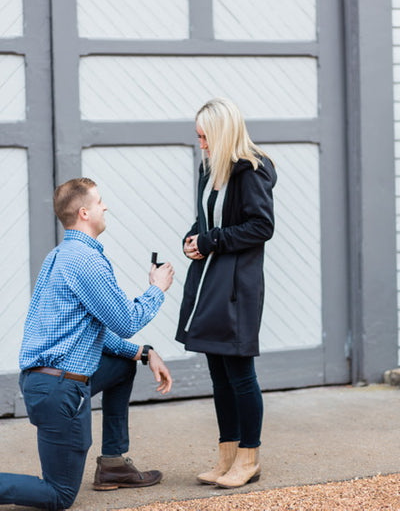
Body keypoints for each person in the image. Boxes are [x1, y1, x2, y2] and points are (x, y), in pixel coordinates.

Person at [0, 177, 174, 510]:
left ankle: (112, 464)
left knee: (123, 367)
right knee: (59, 495)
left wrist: (143, 352)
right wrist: (157, 288)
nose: (105, 206)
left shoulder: (61, 255)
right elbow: (126, 322)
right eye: (99, 202)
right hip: (59, 391)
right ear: (84, 213)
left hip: (47, 383)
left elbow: (88, 329)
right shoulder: (85, 261)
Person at [176, 98, 277, 489]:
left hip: (237, 286)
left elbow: (260, 227)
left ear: (221, 133)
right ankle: (227, 455)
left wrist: (211, 240)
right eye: (198, 136)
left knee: (239, 373)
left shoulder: (251, 171)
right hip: (210, 282)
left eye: (204, 136)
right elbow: (209, 218)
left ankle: (249, 457)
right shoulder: (210, 169)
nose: (200, 143)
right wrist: (192, 237)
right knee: (218, 373)